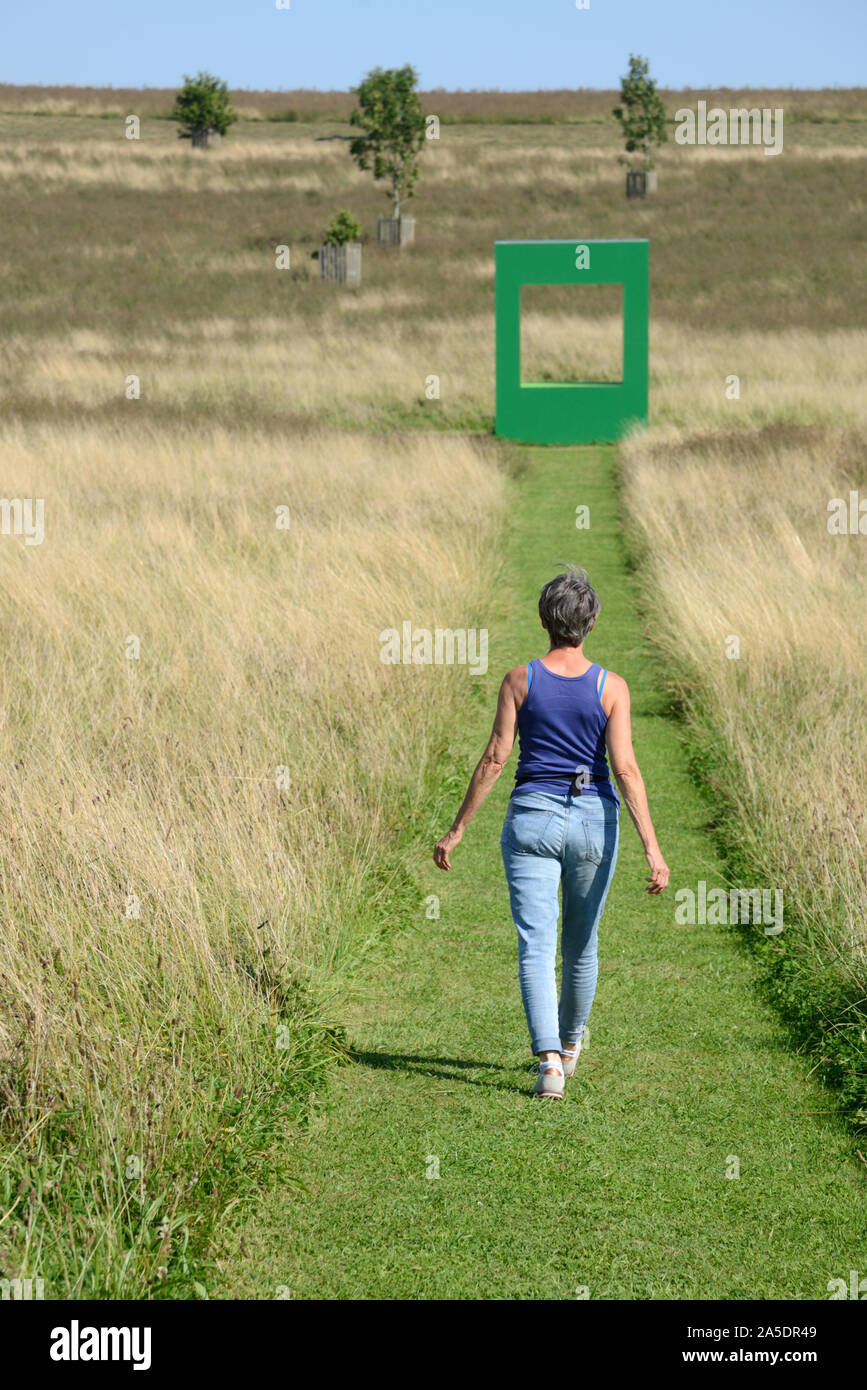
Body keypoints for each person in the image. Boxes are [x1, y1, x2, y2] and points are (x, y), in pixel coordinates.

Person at [433, 569, 669, 1099]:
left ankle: (549, 1066)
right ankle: (570, 1044)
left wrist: (457, 829)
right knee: (581, 947)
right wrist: (652, 848)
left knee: (536, 944)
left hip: (531, 818)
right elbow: (626, 769)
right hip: (592, 820)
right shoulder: (612, 687)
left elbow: (496, 758)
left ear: (544, 620)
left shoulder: (521, 680)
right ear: (593, 623)